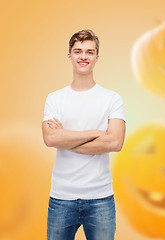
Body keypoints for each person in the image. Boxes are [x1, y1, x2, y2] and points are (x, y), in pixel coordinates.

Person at [41, 29, 126, 240]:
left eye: (89, 52)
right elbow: (50, 138)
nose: (83, 56)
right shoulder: (55, 99)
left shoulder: (112, 99)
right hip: (61, 197)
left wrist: (65, 138)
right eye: (78, 51)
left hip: (101, 198)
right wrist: (96, 134)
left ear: (97, 57)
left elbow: (115, 142)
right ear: (69, 56)